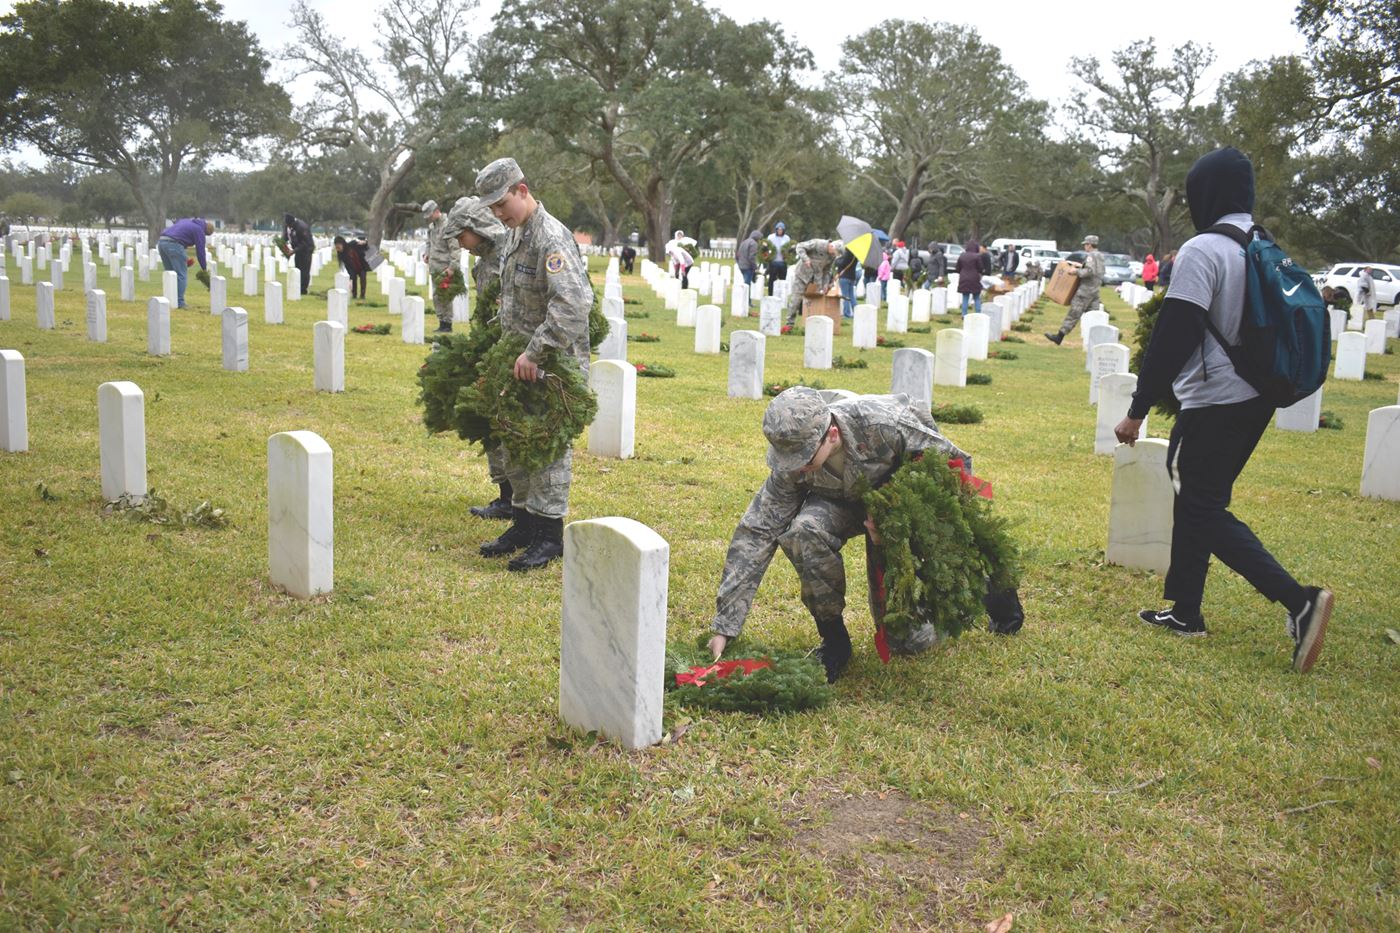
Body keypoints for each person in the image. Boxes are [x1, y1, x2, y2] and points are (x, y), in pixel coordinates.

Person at [1113, 146, 1333, 673]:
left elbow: (1174, 335)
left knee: (1200, 503)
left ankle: (1300, 602)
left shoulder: (1204, 250)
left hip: (1215, 399)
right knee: (1199, 500)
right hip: (1255, 399)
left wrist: (1137, 409)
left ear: (1202, 193)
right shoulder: (1261, 244)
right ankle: (1186, 611)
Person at [706, 387, 970, 682]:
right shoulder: (793, 462)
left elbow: (954, 469)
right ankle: (835, 640)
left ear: (832, 434)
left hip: (897, 509)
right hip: (839, 503)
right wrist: (725, 625)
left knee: (909, 643)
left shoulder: (886, 424)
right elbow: (757, 531)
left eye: (804, 457)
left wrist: (896, 517)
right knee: (804, 532)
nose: (795, 466)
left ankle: (983, 593)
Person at [473, 157, 593, 571]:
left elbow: (573, 305)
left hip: (551, 362)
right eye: (491, 209)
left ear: (522, 190)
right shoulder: (516, 233)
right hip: (518, 358)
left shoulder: (550, 237)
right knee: (515, 441)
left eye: (501, 203)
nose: (497, 214)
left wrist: (535, 351)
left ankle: (550, 535)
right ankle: (523, 523)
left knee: (546, 448)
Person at [442, 196, 515, 521]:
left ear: (477, 227)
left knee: (508, 426)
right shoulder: (483, 260)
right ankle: (506, 495)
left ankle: (520, 501)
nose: (460, 243)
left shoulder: (507, 254)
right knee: (491, 426)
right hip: (490, 349)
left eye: (461, 235)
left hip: (510, 351)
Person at [1046, 234, 1105, 344]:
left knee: (1074, 313)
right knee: (1095, 315)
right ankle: (1099, 339)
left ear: (1089, 245)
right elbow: (1097, 271)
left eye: (1085, 245)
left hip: (1085, 290)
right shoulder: (1100, 256)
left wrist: (1075, 271)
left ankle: (1059, 337)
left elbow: (1089, 271)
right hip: (1095, 290)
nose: (1085, 247)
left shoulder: (1091, 256)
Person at [422, 199, 464, 334]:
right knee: (436, 296)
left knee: (445, 296)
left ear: (436, 211)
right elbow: (429, 243)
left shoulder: (448, 226)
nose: (428, 218)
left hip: (445, 268)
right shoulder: (432, 227)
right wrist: (426, 254)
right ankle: (441, 321)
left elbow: (455, 248)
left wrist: (452, 267)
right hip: (434, 267)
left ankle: (447, 323)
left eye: (429, 215)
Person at [782, 237, 844, 327]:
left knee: (814, 301)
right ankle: (789, 323)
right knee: (796, 300)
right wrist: (805, 259)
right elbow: (800, 247)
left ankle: (813, 324)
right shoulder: (818, 243)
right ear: (832, 246)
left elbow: (827, 271)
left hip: (816, 279)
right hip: (803, 275)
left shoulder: (832, 256)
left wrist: (825, 284)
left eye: (836, 254)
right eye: (835, 252)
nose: (834, 255)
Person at [156, 217, 213, 310]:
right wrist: (204, 268)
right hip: (174, 244)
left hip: (162, 242)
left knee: (170, 274)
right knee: (181, 275)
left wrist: (185, 259)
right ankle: (179, 302)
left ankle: (168, 299)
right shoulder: (199, 230)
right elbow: (200, 251)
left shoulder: (186, 221)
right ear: (206, 231)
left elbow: (180, 236)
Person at [283, 213, 314, 296]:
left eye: (289, 225)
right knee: (298, 268)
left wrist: (293, 251)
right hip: (297, 249)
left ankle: (303, 289)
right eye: (287, 225)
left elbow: (305, 243)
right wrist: (283, 246)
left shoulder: (301, 227)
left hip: (307, 249)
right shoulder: (288, 226)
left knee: (305, 269)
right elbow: (286, 236)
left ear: (293, 222)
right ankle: (297, 287)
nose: (288, 226)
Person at [333, 234, 369, 299]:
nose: (338, 249)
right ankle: (354, 295)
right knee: (353, 280)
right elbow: (348, 267)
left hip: (361, 265)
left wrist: (364, 242)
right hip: (353, 269)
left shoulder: (352, 244)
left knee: (363, 280)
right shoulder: (342, 256)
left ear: (342, 244)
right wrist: (350, 278)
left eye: (339, 247)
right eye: (336, 248)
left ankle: (362, 295)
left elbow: (364, 244)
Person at [955, 239, 983, 315]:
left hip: (964, 277)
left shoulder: (962, 255)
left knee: (965, 297)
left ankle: (964, 314)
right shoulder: (977, 256)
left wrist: (962, 271)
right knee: (976, 297)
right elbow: (980, 268)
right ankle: (978, 313)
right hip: (974, 277)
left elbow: (957, 268)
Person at [766, 222, 791, 295]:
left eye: (781, 230)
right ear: (776, 230)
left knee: (782, 280)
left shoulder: (787, 238)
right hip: (773, 262)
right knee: (772, 279)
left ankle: (781, 295)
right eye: (778, 229)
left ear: (783, 230)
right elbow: (767, 247)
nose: (780, 231)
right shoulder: (771, 237)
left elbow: (789, 248)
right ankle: (770, 294)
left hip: (783, 262)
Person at [836, 247, 860, 318]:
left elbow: (841, 263)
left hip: (844, 276)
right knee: (852, 296)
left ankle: (847, 313)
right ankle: (857, 312)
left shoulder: (848, 252)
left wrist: (837, 259)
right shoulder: (856, 253)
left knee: (845, 296)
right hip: (852, 276)